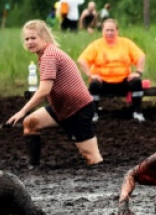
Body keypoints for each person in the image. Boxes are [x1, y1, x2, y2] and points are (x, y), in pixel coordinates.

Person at [7, 20, 103, 167]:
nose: (29, 42)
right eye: (26, 39)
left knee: (92, 158)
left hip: (78, 109)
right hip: (62, 108)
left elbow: (44, 91)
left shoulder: (49, 56)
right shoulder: (46, 53)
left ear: (44, 37)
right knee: (30, 122)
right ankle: (34, 167)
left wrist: (22, 111)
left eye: (33, 38)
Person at [77, 18, 147, 122]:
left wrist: (138, 72)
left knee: (136, 82)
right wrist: (90, 75)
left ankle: (137, 112)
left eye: (112, 30)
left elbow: (141, 56)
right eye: (107, 30)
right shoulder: (96, 45)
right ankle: (93, 113)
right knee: (94, 84)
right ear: (102, 31)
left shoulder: (126, 43)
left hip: (122, 81)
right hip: (103, 82)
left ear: (117, 31)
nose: (110, 33)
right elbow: (82, 60)